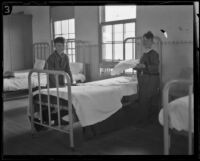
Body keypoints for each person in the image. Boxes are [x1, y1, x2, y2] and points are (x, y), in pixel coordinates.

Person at [134, 31, 160, 125]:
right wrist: (136, 66)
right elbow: (143, 66)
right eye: (143, 40)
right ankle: (143, 119)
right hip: (144, 80)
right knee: (143, 100)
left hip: (150, 81)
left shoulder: (154, 54)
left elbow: (155, 68)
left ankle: (144, 121)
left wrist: (144, 66)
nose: (143, 42)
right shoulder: (144, 54)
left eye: (145, 40)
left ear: (151, 40)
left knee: (145, 100)